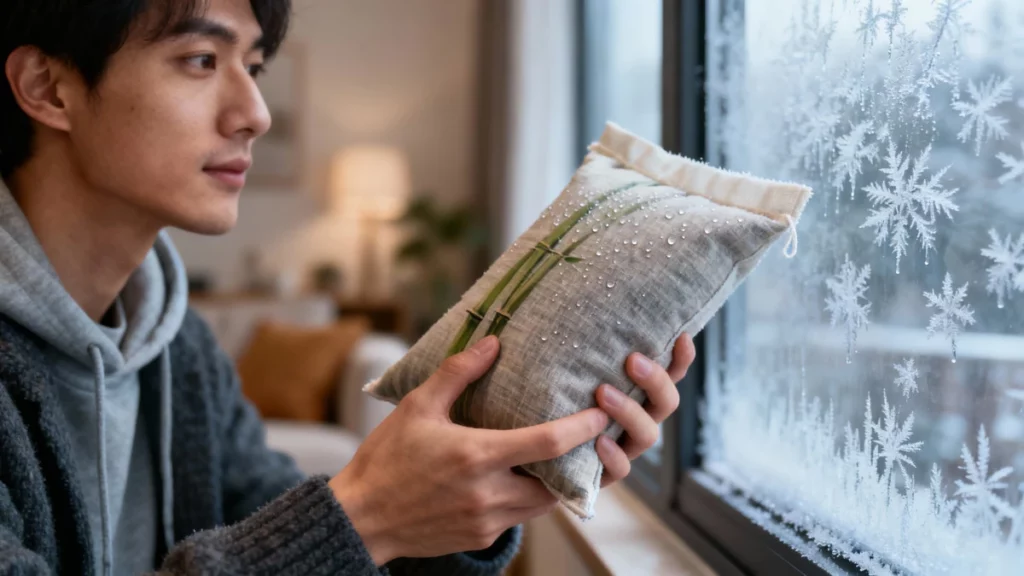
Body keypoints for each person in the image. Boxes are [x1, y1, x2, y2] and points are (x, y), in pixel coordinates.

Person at [0, 0, 695, 574]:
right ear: (48, 87)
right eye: (201, 61)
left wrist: (500, 466)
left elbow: (275, 523)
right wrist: (364, 517)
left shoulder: (177, 347)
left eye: (255, 66)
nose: (255, 112)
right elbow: (337, 533)